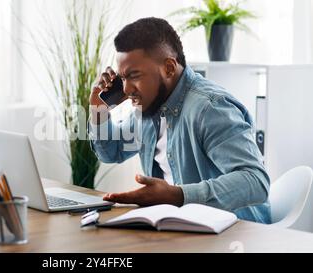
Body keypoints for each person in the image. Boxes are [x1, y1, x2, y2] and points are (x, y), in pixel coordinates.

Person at [88, 17, 271, 223]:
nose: (127, 89)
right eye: (122, 78)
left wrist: (177, 196)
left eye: (134, 75)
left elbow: (256, 182)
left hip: (234, 232)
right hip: (180, 226)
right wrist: (98, 110)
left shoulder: (210, 108)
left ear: (168, 68)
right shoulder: (148, 108)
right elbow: (112, 151)